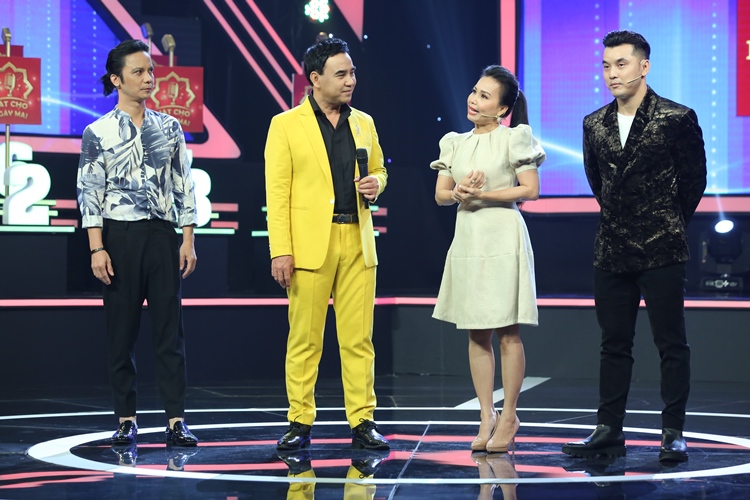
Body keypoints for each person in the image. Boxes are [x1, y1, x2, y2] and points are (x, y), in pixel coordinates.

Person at [561, 30, 707, 462]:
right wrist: (623, 218)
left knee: (671, 343)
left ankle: (673, 431)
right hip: (611, 247)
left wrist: (664, 220)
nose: (612, 73)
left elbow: (693, 182)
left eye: (621, 64)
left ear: (644, 67)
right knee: (613, 343)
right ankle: (608, 429)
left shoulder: (676, 117)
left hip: (662, 245)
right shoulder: (594, 123)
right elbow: (598, 182)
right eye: (606, 65)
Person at [264, 37, 389, 451]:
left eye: (352, 73)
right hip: (308, 246)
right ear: (315, 79)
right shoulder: (285, 124)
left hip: (357, 239)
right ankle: (299, 421)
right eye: (341, 74)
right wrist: (281, 250)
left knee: (359, 339)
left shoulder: (364, 122)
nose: (350, 80)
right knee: (305, 339)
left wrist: (377, 183)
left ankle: (363, 420)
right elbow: (277, 194)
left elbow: (379, 170)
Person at [77, 39, 199, 448]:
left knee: (170, 333)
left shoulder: (170, 127)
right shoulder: (97, 132)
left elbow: (183, 184)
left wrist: (187, 238)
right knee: (121, 334)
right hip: (119, 238)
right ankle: (125, 420)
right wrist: (97, 248)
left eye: (150, 71)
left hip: (163, 236)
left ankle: (176, 421)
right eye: (139, 72)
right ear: (117, 79)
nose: (148, 78)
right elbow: (89, 193)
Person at [431, 65, 545, 453]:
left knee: (507, 331)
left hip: (502, 234)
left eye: (484, 96)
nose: (474, 100)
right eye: (474, 91)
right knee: (476, 332)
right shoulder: (455, 142)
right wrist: (459, 192)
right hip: (469, 236)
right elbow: (441, 195)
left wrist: (483, 195)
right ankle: (486, 414)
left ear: (502, 109)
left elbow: (530, 189)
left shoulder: (515, 138)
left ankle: (509, 414)